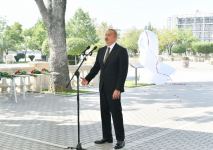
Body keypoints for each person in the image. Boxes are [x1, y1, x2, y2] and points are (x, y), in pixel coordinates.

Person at [81, 29, 129, 149]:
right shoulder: (102, 50)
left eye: (108, 35)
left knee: (116, 114)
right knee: (104, 113)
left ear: (115, 37)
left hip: (114, 89)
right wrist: (87, 78)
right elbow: (96, 67)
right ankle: (107, 137)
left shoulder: (121, 51)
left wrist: (118, 88)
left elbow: (123, 72)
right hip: (103, 87)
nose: (106, 37)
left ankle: (120, 139)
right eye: (105, 35)